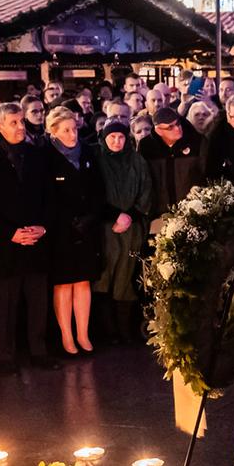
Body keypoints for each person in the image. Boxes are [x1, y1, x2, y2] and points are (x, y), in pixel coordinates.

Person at [0, 103, 56, 372]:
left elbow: (50, 195)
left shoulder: (37, 155)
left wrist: (43, 227)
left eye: (22, 122)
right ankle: (5, 356)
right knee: (6, 301)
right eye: (14, 123)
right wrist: (10, 233)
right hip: (4, 242)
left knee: (38, 299)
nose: (20, 128)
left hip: (36, 238)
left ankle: (39, 351)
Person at [43, 106, 112, 355]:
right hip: (60, 230)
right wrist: (64, 221)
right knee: (63, 283)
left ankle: (83, 334)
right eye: (66, 130)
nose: (73, 135)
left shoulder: (88, 152)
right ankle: (66, 336)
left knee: (83, 282)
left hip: (87, 227)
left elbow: (97, 188)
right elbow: (45, 196)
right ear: (53, 131)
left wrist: (89, 217)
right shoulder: (45, 156)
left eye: (74, 129)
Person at [93, 119, 152, 345]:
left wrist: (131, 216)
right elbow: (94, 193)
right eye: (112, 137)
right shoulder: (97, 160)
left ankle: (125, 329)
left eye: (120, 137)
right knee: (104, 275)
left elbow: (146, 191)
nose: (117, 142)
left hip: (131, 228)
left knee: (126, 276)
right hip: (105, 228)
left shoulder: (137, 161)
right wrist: (112, 216)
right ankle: (108, 331)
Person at [144, 106, 204, 211]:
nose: (177, 129)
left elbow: (205, 173)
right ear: (158, 131)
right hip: (160, 212)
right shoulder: (146, 146)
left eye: (177, 124)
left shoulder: (196, 141)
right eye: (170, 127)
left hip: (192, 210)